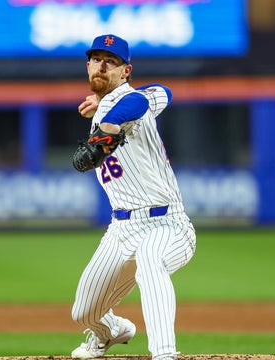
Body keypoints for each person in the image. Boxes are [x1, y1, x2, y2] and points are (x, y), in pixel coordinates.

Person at [70, 34, 197, 360]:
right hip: (121, 230)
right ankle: (110, 331)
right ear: (87, 66)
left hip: (167, 223)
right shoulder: (103, 110)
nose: (102, 66)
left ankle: (165, 354)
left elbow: (156, 95)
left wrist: (109, 116)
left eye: (110, 61)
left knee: (150, 260)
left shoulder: (133, 100)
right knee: (83, 312)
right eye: (96, 59)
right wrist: (104, 112)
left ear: (126, 71)